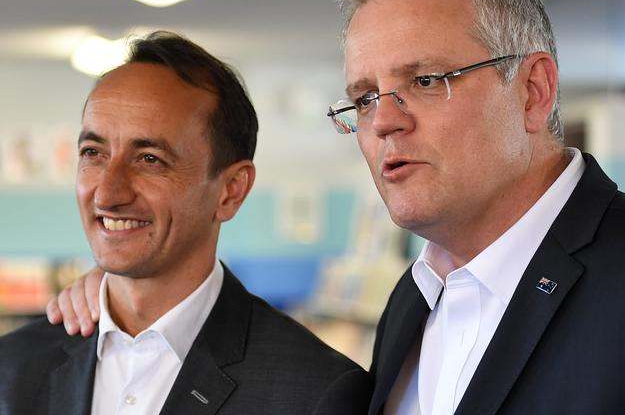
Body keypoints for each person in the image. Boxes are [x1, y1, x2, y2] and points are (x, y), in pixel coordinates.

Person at [46, 0, 625, 414]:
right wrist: (129, 295)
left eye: (426, 80)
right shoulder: (414, 304)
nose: (383, 120)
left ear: (533, 91)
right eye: (363, 97)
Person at [0, 32, 370, 414]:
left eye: (149, 159)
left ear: (230, 191)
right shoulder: (11, 371)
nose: (107, 194)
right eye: (93, 153)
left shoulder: (313, 392)